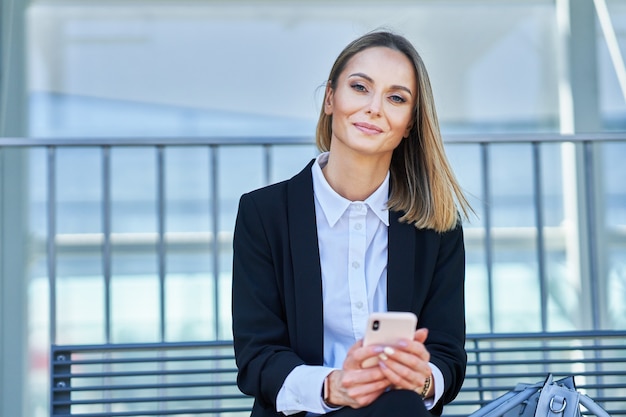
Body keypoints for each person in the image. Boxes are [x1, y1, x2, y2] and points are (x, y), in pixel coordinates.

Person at [231, 29, 472, 417]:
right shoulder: (264, 214)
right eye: (360, 87)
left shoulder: (437, 226)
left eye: (396, 97)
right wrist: (334, 387)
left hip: (397, 411)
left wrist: (422, 379)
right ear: (331, 98)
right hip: (305, 412)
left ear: (409, 122)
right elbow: (257, 357)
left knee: (398, 404)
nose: (375, 107)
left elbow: (447, 355)